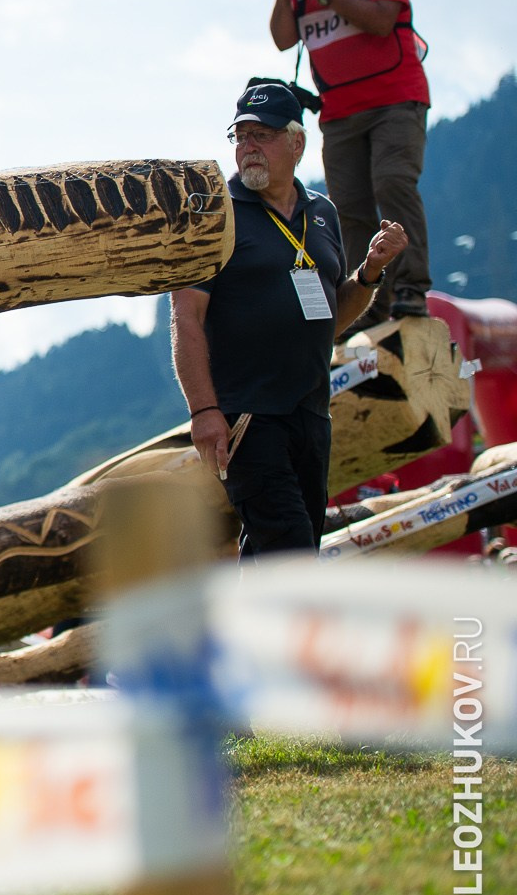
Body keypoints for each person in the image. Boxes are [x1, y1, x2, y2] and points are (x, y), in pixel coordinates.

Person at [170, 82, 409, 557]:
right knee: (292, 553)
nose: (248, 148)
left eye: (263, 135)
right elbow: (185, 317)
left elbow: (329, 319)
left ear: (296, 143)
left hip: (312, 414)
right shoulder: (213, 214)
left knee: (270, 557)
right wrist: (203, 411)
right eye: (241, 136)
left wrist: (370, 272)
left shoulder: (322, 213)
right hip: (248, 419)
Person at [268, 0, 431, 320]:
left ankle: (411, 288)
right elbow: (283, 39)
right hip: (339, 112)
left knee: (393, 182)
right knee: (349, 209)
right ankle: (369, 303)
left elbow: (381, 20)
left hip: (394, 99)